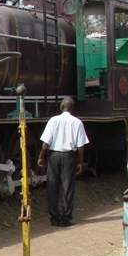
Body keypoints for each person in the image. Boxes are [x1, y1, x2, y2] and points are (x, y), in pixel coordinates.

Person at [37, 97, 89, 227]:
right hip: (69, 156)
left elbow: (45, 143)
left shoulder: (53, 120)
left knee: (52, 185)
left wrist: (41, 156)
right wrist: (80, 162)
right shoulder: (77, 122)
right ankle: (66, 218)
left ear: (61, 106)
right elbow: (81, 146)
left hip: (54, 155)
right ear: (72, 108)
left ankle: (54, 217)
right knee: (68, 187)